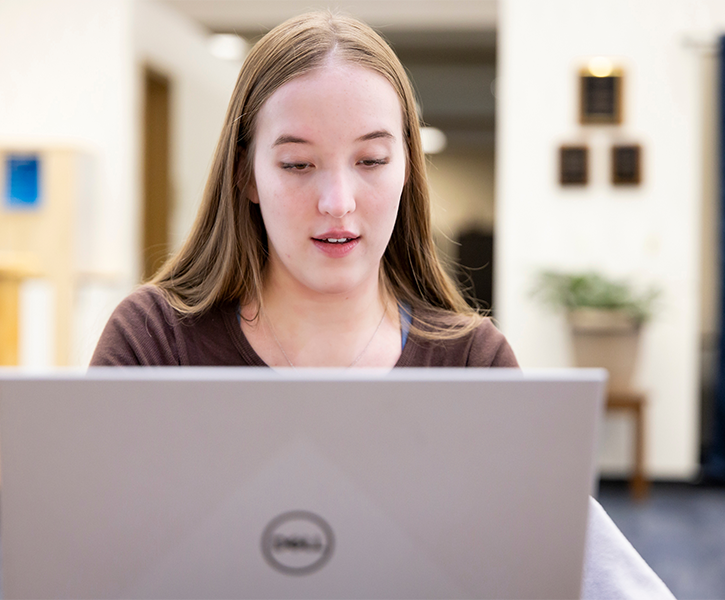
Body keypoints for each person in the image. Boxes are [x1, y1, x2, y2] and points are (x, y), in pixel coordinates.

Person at [91, 11, 676, 599]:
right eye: (297, 165)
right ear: (245, 174)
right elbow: (87, 567)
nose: (338, 202)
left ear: (406, 169)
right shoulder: (155, 340)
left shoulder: (472, 363)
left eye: (370, 161)